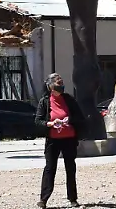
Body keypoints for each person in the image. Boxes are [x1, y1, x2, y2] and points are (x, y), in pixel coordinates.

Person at [36, 73, 85, 208]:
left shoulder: (68, 99)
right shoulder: (45, 101)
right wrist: (51, 123)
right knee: (50, 168)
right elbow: (38, 121)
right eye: (58, 83)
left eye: (62, 82)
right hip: (53, 140)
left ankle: (73, 198)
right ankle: (43, 199)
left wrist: (70, 120)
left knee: (70, 168)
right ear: (51, 86)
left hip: (69, 139)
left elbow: (80, 117)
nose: (61, 85)